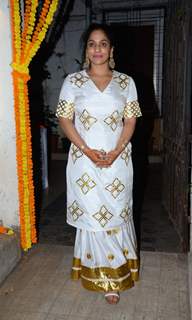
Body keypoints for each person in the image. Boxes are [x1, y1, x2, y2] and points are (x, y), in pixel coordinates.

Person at [56, 23, 142, 304]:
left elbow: (130, 121)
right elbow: (65, 120)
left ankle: (116, 276)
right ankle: (99, 275)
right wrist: (86, 149)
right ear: (86, 50)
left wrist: (118, 150)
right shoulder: (73, 81)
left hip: (118, 160)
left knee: (116, 212)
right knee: (93, 213)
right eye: (92, 44)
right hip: (84, 161)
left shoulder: (126, 82)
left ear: (111, 49)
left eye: (103, 43)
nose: (97, 49)